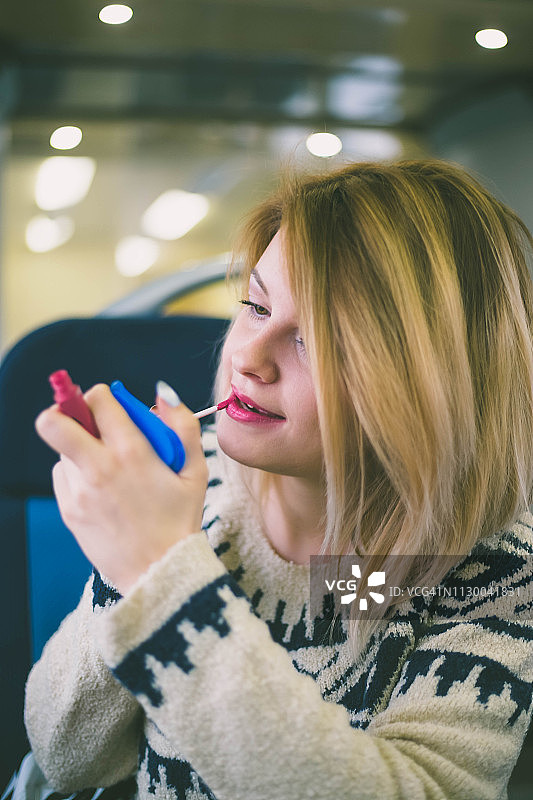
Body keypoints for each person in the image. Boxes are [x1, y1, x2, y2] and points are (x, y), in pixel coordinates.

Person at [25, 159, 533, 800]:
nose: (247, 356)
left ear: (434, 386)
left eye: (319, 341)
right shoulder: (196, 487)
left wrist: (161, 572)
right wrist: (129, 568)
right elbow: (71, 758)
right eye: (256, 306)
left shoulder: (484, 572)